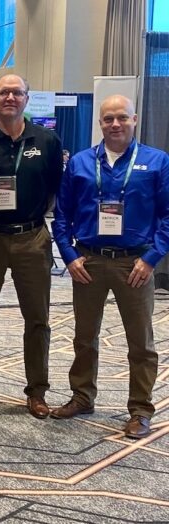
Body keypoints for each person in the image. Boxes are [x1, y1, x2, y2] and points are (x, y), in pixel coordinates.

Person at [51, 94, 169, 439]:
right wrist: (69, 256)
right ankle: (82, 396)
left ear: (134, 120)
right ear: (100, 123)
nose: (115, 124)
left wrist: (151, 258)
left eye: (121, 118)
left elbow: (166, 216)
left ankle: (140, 410)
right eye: (108, 119)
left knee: (140, 342)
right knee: (84, 337)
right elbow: (61, 216)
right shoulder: (81, 163)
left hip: (135, 263)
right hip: (89, 260)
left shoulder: (157, 161)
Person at [0, 74, 63, 418]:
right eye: (3, 92)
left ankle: (37, 391)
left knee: (38, 319)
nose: (10, 97)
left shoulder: (47, 141)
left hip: (31, 238)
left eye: (16, 92)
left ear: (26, 98)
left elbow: (55, 190)